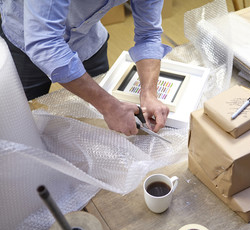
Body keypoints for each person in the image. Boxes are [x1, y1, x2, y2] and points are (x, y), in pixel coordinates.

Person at [0, 0, 171, 136]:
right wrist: (109, 106)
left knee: (99, 121)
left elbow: (148, 35)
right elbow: (45, 42)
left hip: (86, 37)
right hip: (25, 41)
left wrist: (149, 93)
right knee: (21, 121)